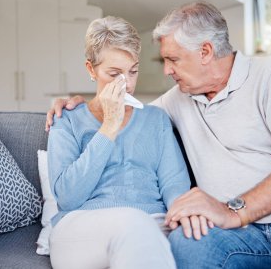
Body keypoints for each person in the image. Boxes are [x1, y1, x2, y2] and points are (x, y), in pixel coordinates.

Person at [46, 1, 271, 269]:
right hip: (236, 235)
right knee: (189, 245)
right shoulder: (177, 98)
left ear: (206, 51)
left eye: (172, 59)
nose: (166, 71)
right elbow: (124, 113)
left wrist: (231, 210)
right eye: (115, 74)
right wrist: (75, 103)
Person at [47, 15, 192, 269]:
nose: (127, 84)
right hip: (81, 230)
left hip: (152, 223)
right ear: (91, 70)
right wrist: (109, 127)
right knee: (133, 223)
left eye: (133, 71)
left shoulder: (155, 120)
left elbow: (175, 186)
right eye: (114, 73)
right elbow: (68, 198)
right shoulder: (67, 120)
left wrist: (185, 219)